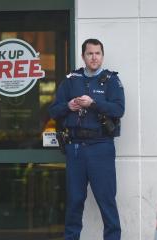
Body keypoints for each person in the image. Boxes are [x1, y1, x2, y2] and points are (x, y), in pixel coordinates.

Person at [48, 38, 125, 240]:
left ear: (102, 55)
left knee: (106, 201)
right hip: (75, 149)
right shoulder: (71, 80)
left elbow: (118, 109)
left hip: (101, 147)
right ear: (83, 56)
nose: (94, 57)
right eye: (90, 53)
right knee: (74, 202)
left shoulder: (112, 81)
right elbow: (53, 111)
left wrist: (93, 103)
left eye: (97, 53)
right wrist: (69, 106)